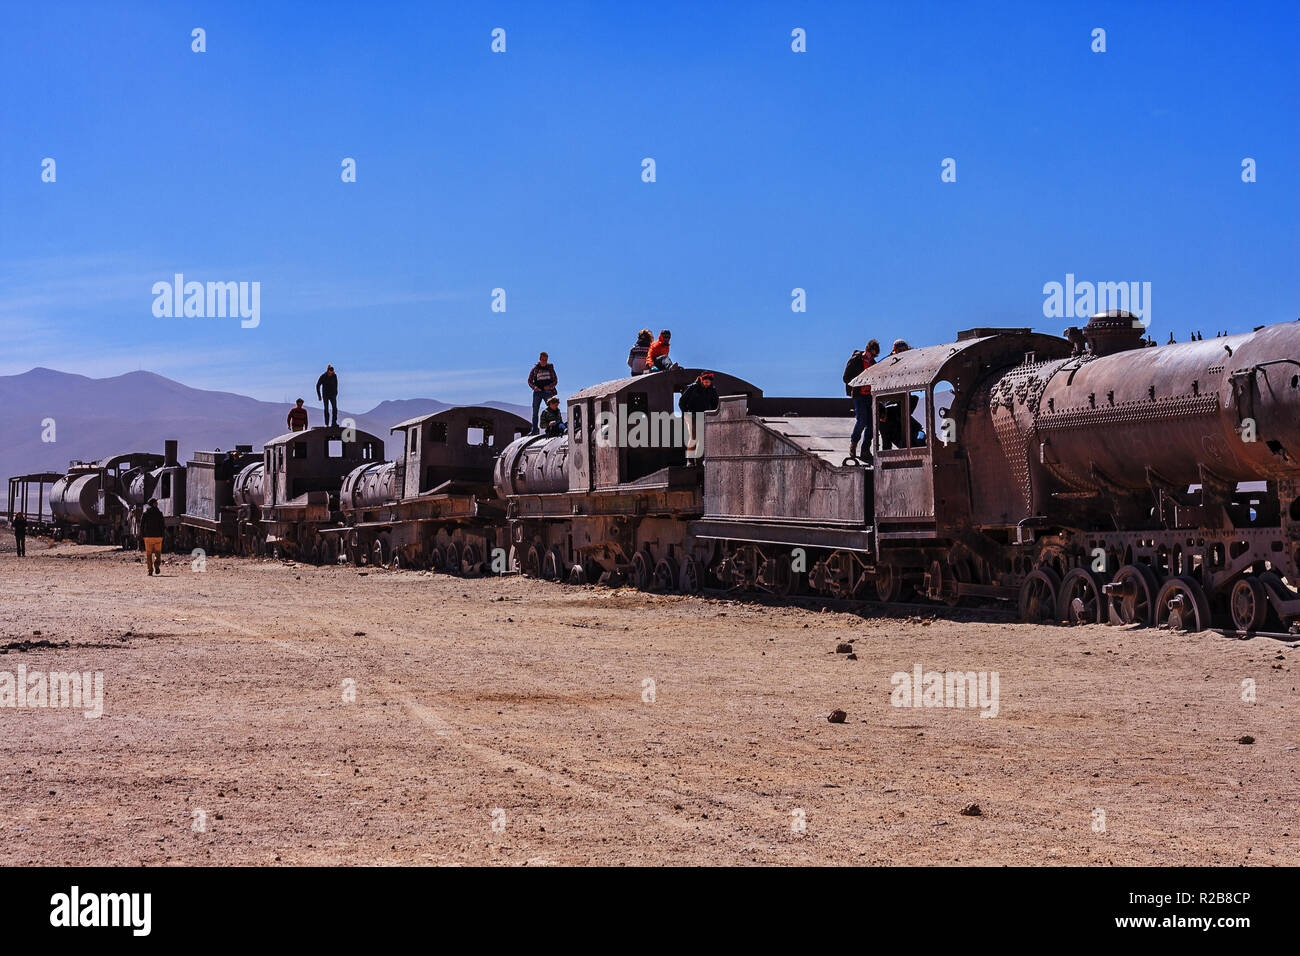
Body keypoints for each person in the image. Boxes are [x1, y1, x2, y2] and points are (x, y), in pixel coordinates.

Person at [843, 339, 880, 459]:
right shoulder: (855, 361)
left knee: (872, 424)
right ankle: (853, 444)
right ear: (867, 350)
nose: (873, 357)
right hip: (859, 395)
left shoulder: (873, 364)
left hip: (870, 396)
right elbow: (846, 377)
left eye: (875, 355)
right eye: (872, 354)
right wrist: (857, 382)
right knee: (862, 421)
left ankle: (865, 449)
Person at [678, 371, 719, 460]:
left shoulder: (712, 389)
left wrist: (714, 414)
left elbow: (715, 404)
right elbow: (681, 402)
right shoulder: (692, 388)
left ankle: (699, 460)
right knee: (694, 437)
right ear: (701, 379)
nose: (707, 384)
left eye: (709, 382)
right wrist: (685, 413)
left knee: (703, 438)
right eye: (706, 382)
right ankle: (690, 460)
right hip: (691, 414)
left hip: (704, 416)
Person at [527, 351, 558, 433]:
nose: (544, 361)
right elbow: (529, 381)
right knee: (535, 411)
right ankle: (534, 430)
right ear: (540, 359)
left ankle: (554, 428)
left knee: (552, 409)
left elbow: (555, 380)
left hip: (548, 392)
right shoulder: (535, 369)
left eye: (546, 360)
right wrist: (535, 387)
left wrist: (549, 387)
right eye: (543, 360)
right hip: (538, 392)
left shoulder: (550, 368)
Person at [141, 497, 165, 576]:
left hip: (148, 537)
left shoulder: (145, 513)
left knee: (149, 554)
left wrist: (143, 535)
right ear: (154, 504)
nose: (157, 504)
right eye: (156, 502)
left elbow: (142, 525)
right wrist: (162, 535)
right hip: (158, 537)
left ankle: (150, 571)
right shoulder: (159, 513)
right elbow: (162, 525)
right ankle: (157, 564)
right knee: (158, 553)